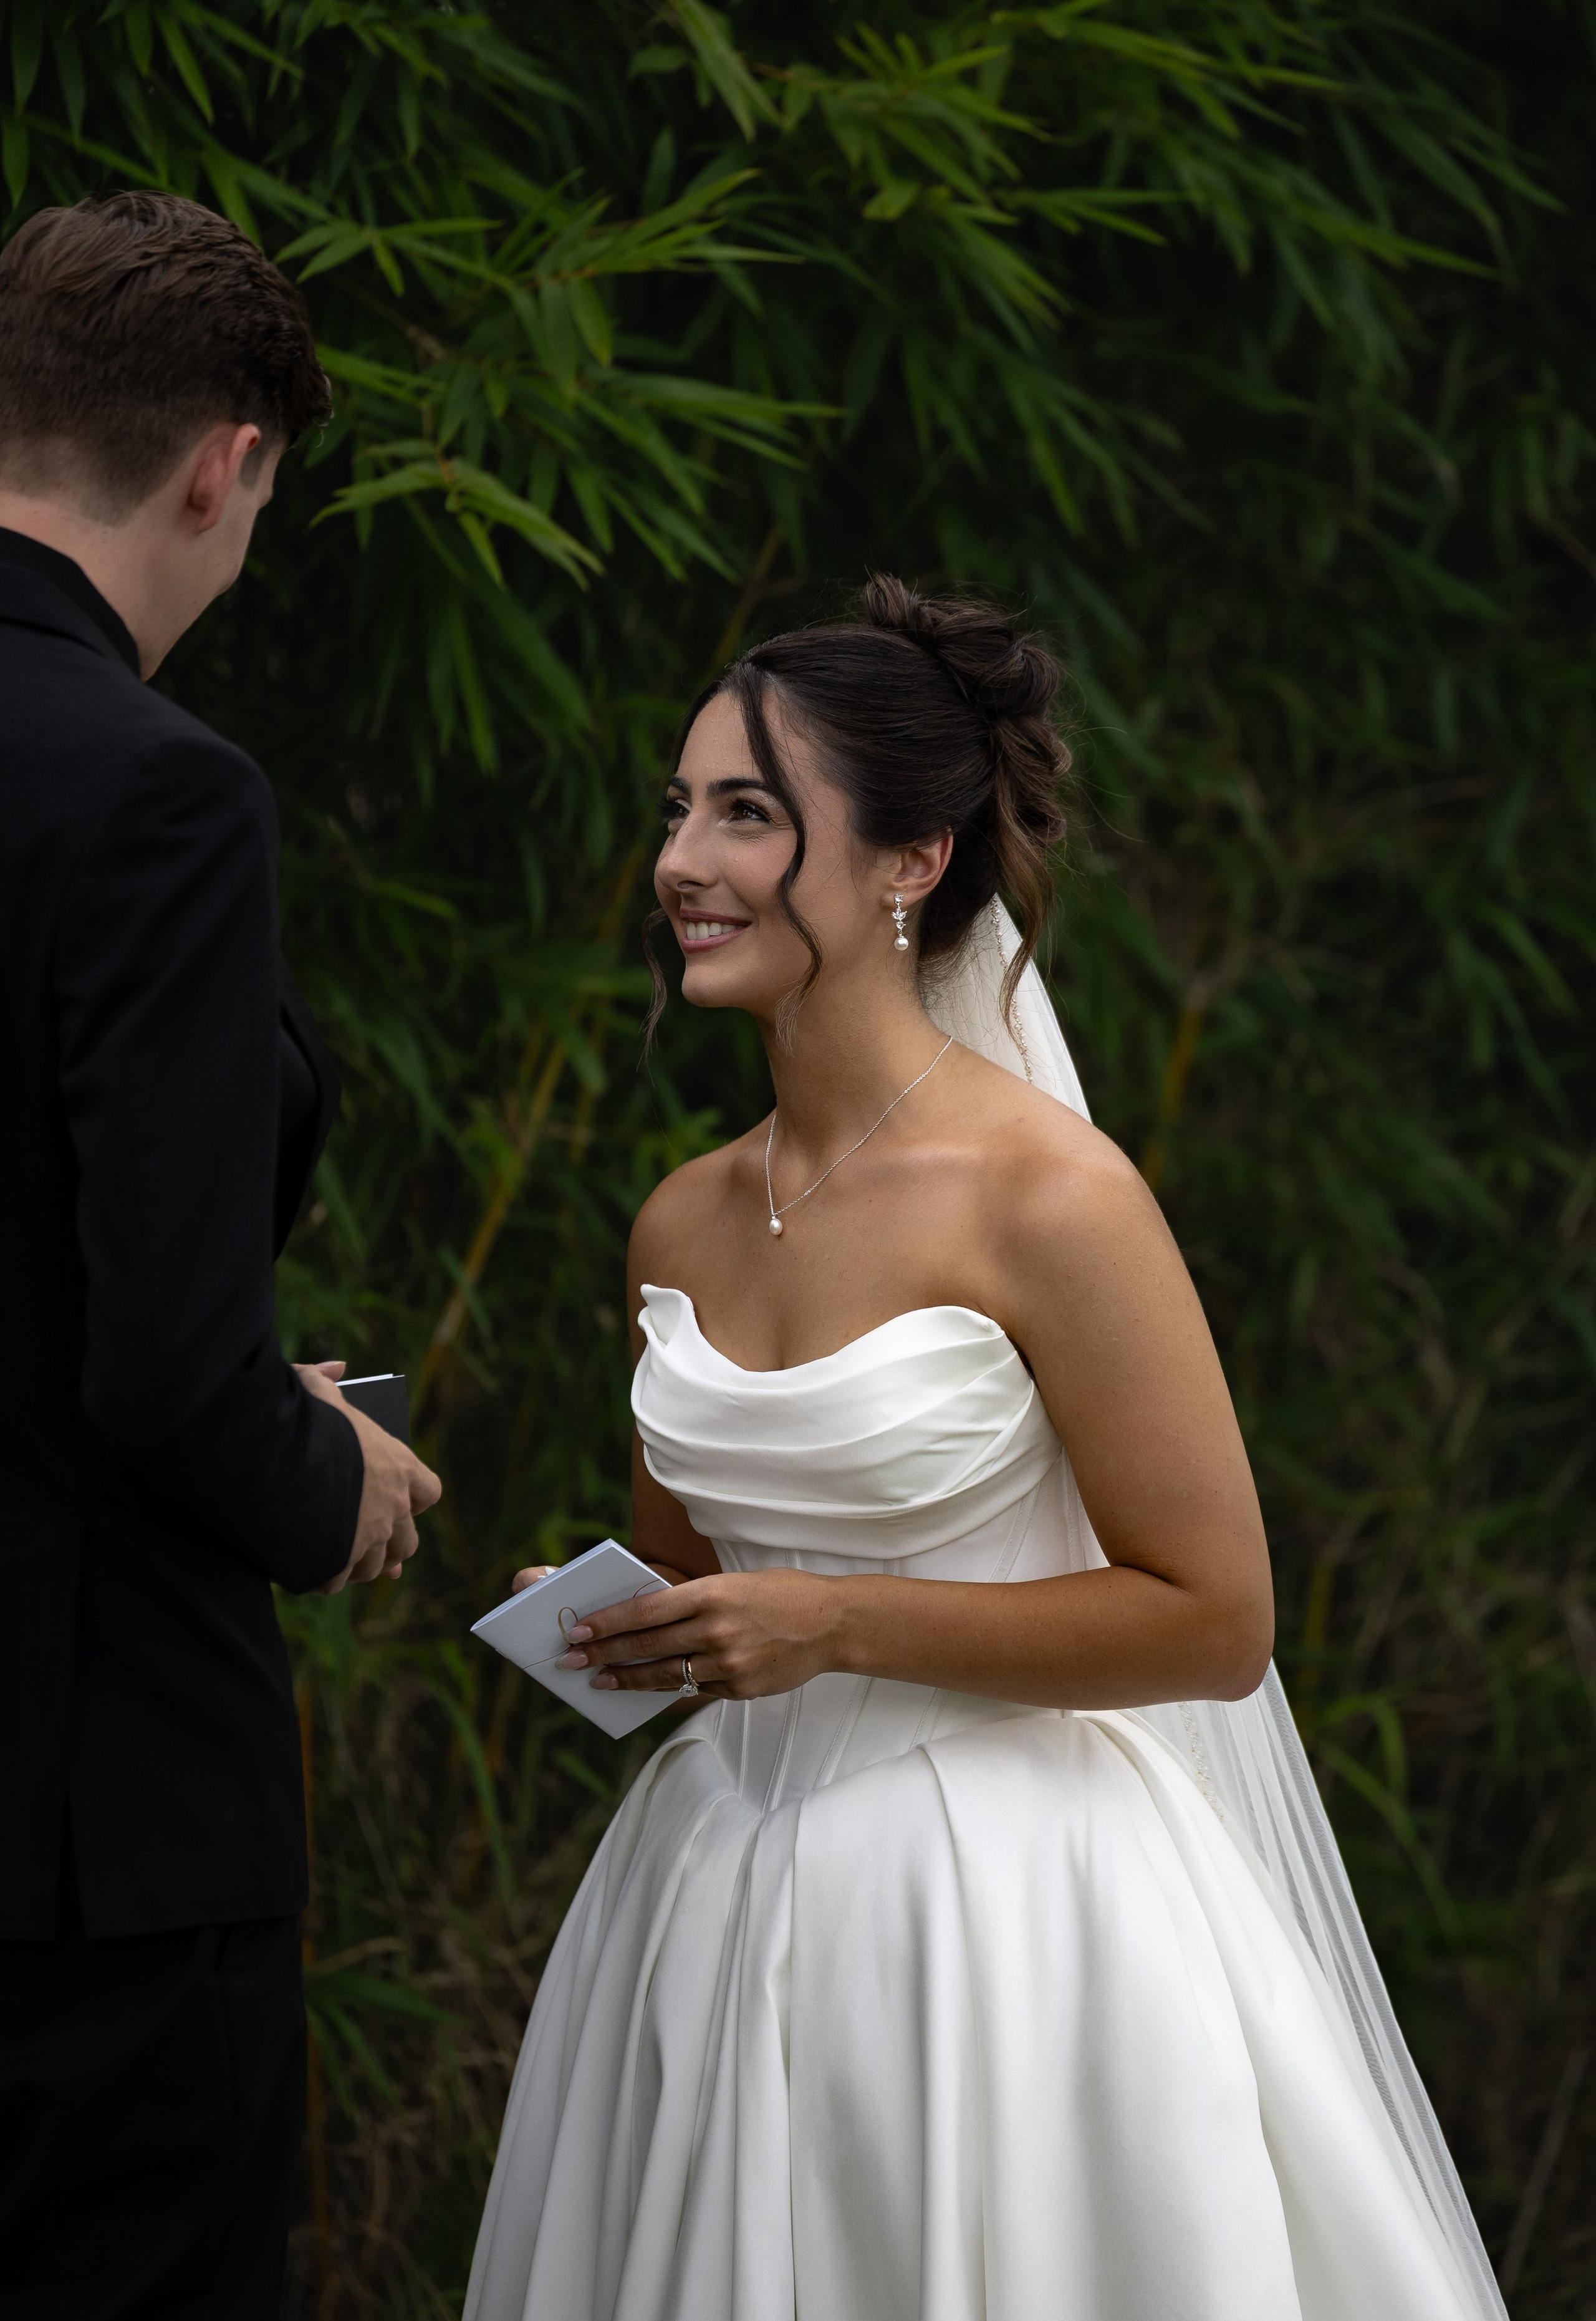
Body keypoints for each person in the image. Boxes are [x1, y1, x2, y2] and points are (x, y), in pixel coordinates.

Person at [465, 579, 1506, 2321]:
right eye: (677, 810)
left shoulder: (1053, 1200)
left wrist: (838, 1624)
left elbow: (1215, 1620)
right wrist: (622, 1622)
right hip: (709, 1900)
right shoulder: (682, 1217)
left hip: (999, 1914)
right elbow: (710, 1583)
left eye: (747, 813)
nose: (681, 863)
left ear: (911, 861)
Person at [0, 193, 441, 2319]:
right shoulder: (154, 794)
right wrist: (326, 1471)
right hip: (78, 1833)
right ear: (222, 465)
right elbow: (166, 1374)